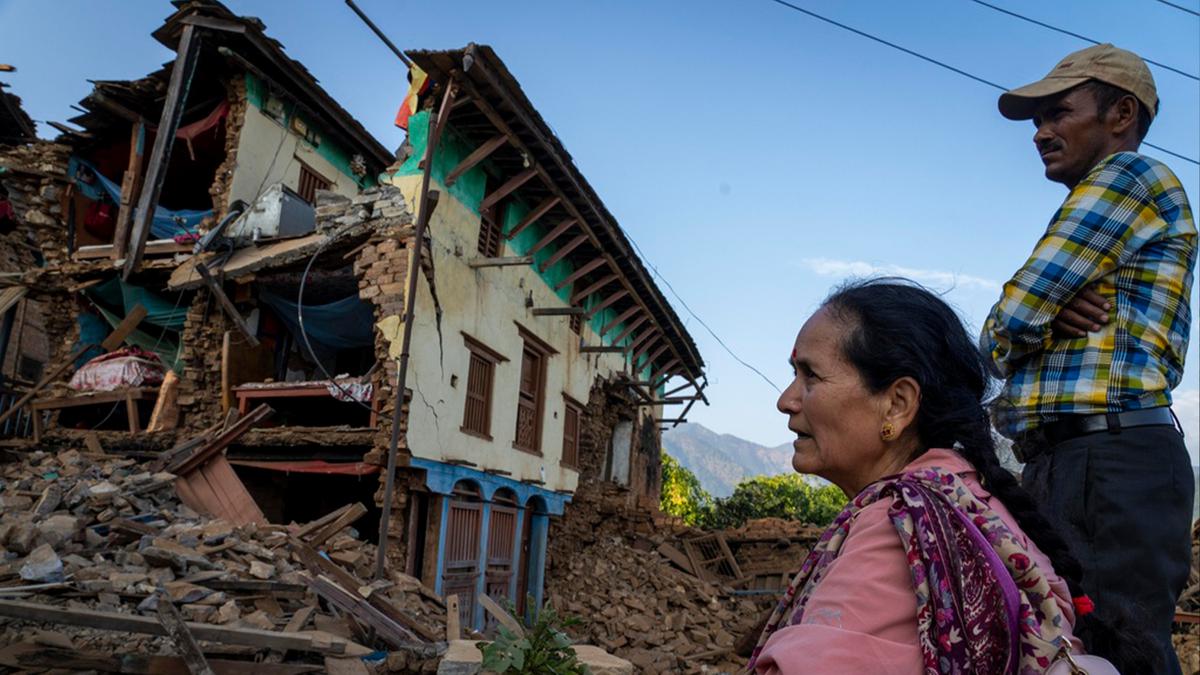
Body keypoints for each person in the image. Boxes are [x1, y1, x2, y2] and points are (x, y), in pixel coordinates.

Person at [747, 279, 1156, 674]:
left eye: (811, 376)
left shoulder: (897, 528)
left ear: (897, 404)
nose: (787, 400)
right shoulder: (972, 500)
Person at [981, 43, 1196, 674]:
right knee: (1082, 652)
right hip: (1087, 462)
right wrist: (1039, 320)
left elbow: (1010, 320)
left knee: (1111, 652)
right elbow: (1022, 322)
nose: (1041, 132)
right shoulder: (1115, 199)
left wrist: (1029, 326)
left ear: (1120, 113)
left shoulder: (1124, 179)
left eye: (1057, 113)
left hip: (1104, 465)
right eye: (1036, 121)